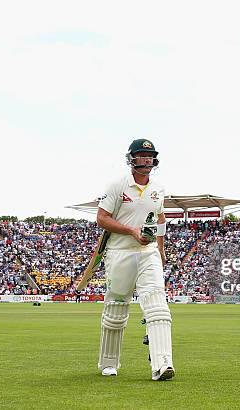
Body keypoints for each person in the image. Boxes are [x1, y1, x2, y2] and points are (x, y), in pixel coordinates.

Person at [95, 138, 174, 381]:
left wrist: (160, 249)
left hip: (147, 252)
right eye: (141, 155)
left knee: (158, 305)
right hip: (120, 252)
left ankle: (162, 364)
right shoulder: (117, 186)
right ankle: (109, 362)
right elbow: (102, 218)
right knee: (116, 308)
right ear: (132, 158)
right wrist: (131, 231)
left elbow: (159, 220)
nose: (147, 159)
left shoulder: (158, 189)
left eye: (150, 156)